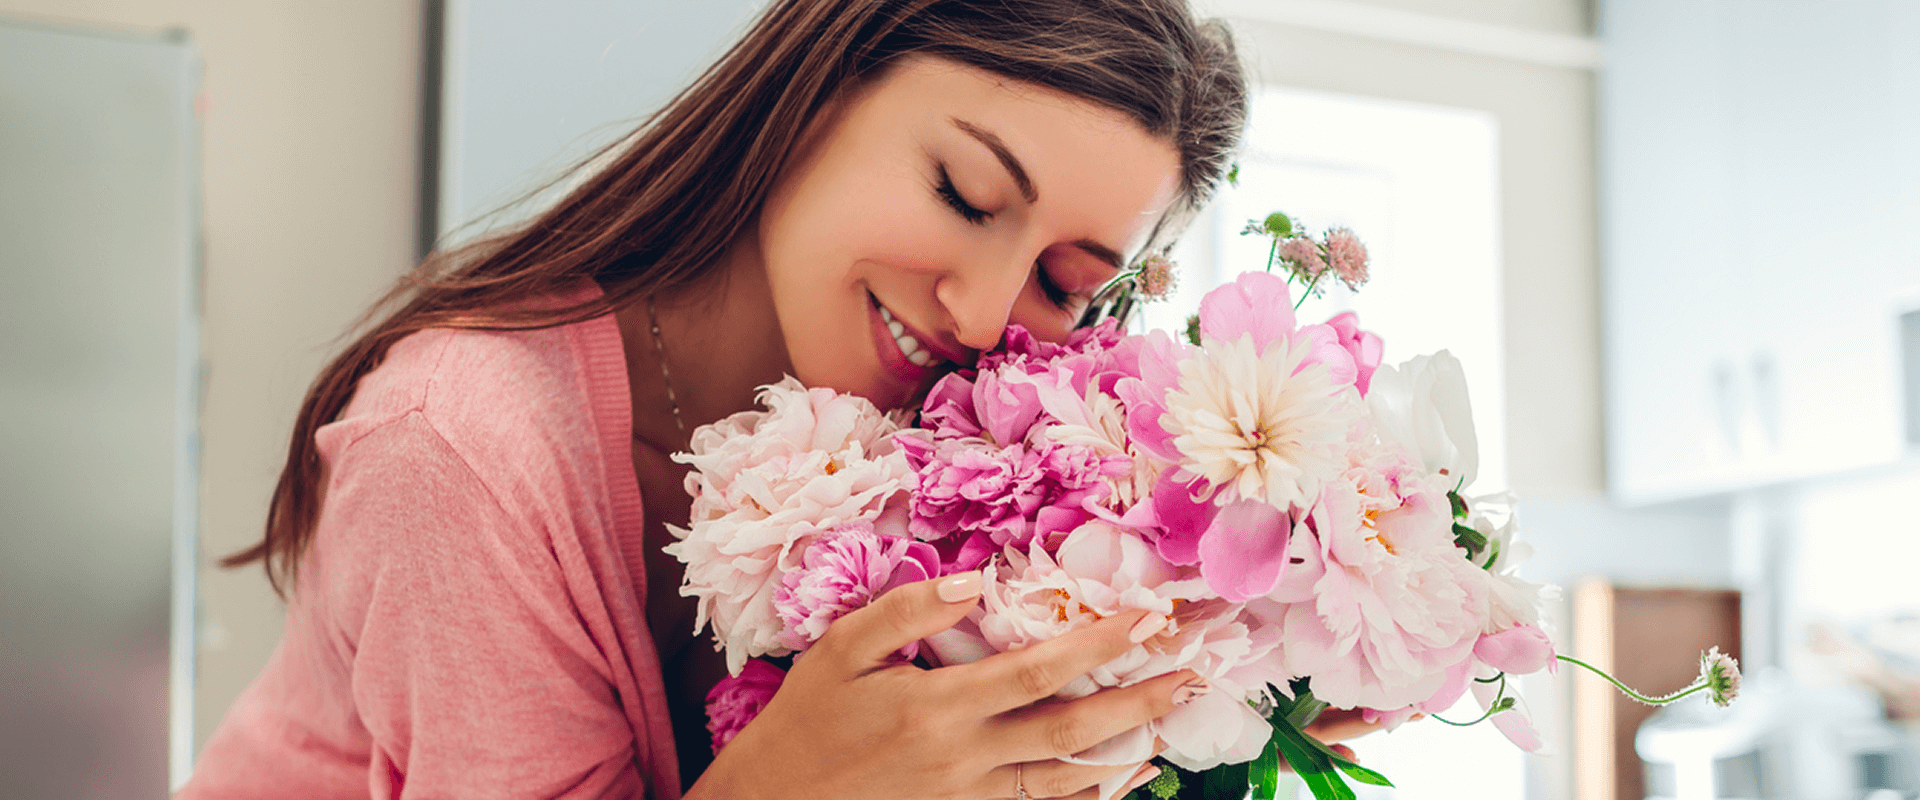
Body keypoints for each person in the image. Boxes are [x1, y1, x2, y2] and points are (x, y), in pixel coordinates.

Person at [179, 1, 1369, 798]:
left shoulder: (976, 459)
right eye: (962, 191)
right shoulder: (459, 444)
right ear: (812, 91)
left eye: (1065, 282)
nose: (979, 306)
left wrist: (1187, 727)